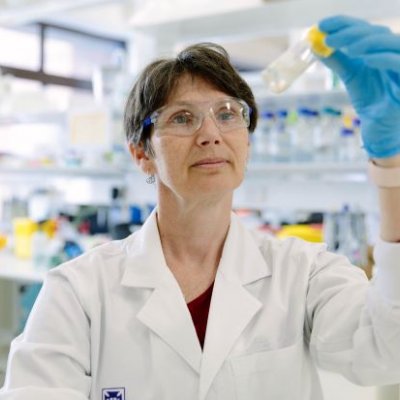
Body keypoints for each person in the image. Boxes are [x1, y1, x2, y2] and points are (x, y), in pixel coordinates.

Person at [1, 15, 400, 400]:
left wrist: (393, 162)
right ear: (142, 152)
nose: (210, 134)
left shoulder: (305, 271)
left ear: (247, 140)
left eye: (228, 114)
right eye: (182, 117)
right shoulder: (79, 291)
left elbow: (385, 353)